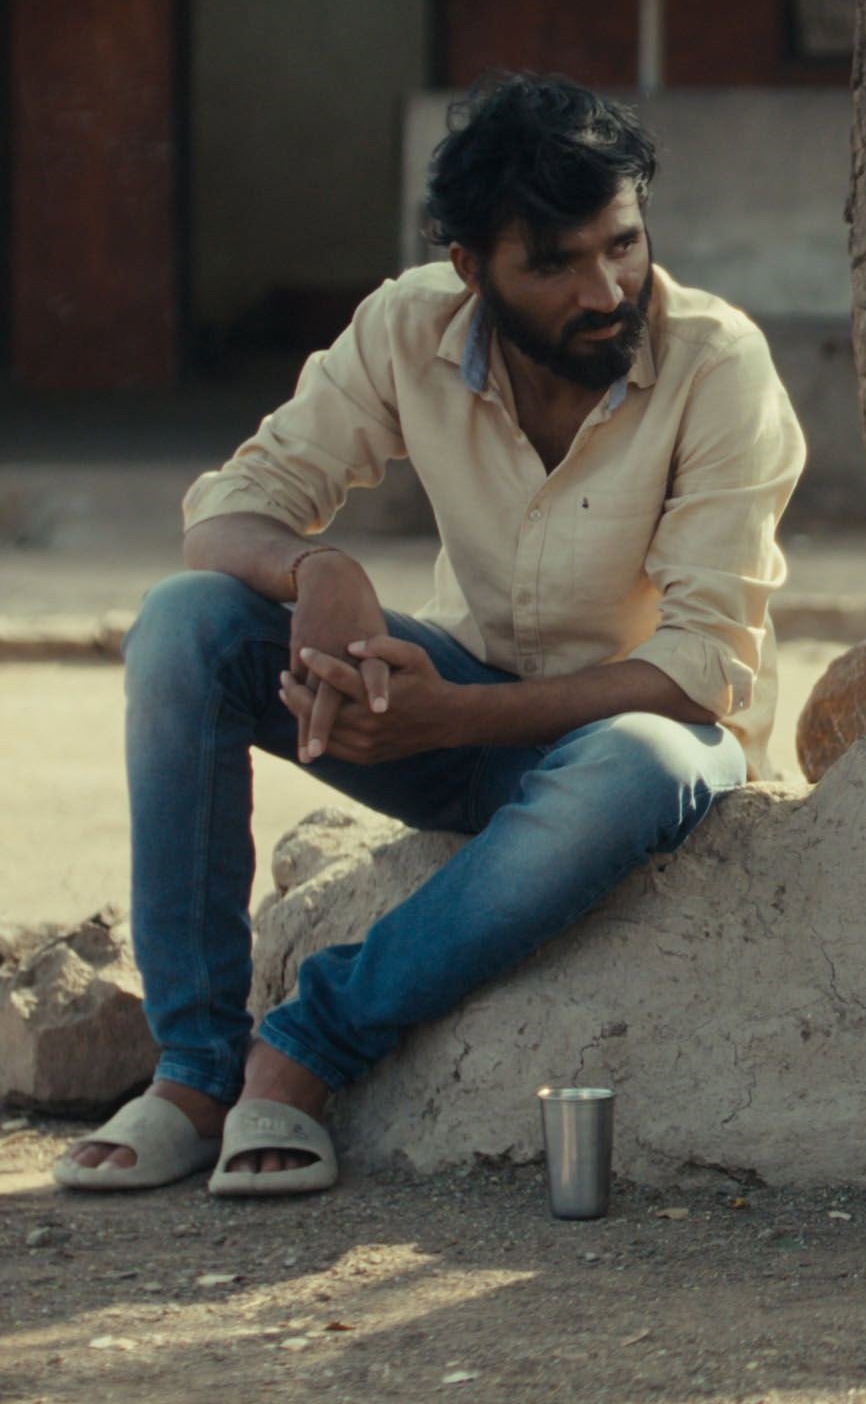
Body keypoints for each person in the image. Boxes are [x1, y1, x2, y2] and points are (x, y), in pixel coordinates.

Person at [55, 74, 805, 1196]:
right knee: (185, 624)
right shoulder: (410, 323)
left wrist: (453, 715)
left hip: (629, 755)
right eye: (554, 265)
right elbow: (226, 509)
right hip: (448, 715)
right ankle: (195, 1072)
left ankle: (304, 1051)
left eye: (623, 244)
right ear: (470, 269)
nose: (606, 290)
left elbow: (702, 671)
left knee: (642, 759)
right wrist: (318, 568)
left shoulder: (717, 363)